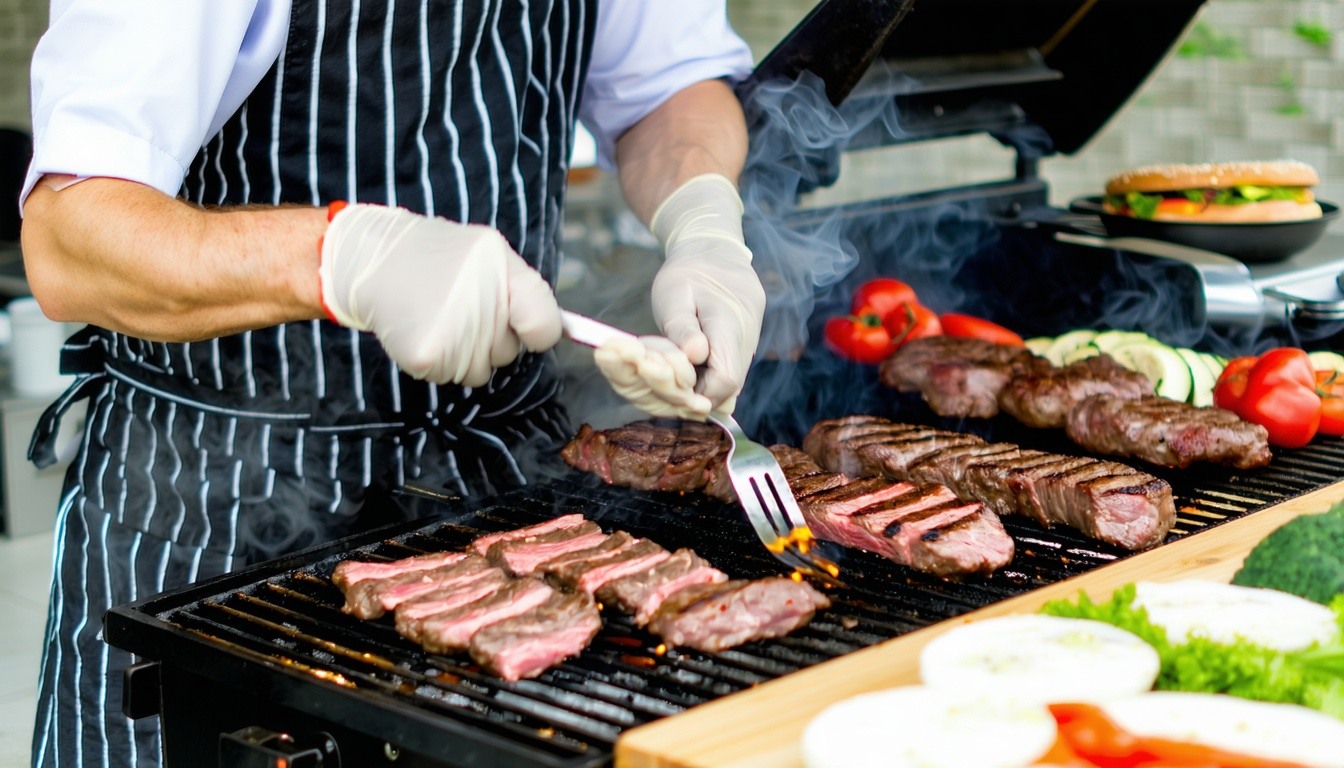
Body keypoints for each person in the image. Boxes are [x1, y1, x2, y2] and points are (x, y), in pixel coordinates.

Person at [19, 2, 766, 766]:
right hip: (219, 496)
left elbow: (666, 87)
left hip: (507, 491)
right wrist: (343, 257)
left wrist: (703, 219)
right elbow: (70, 240)